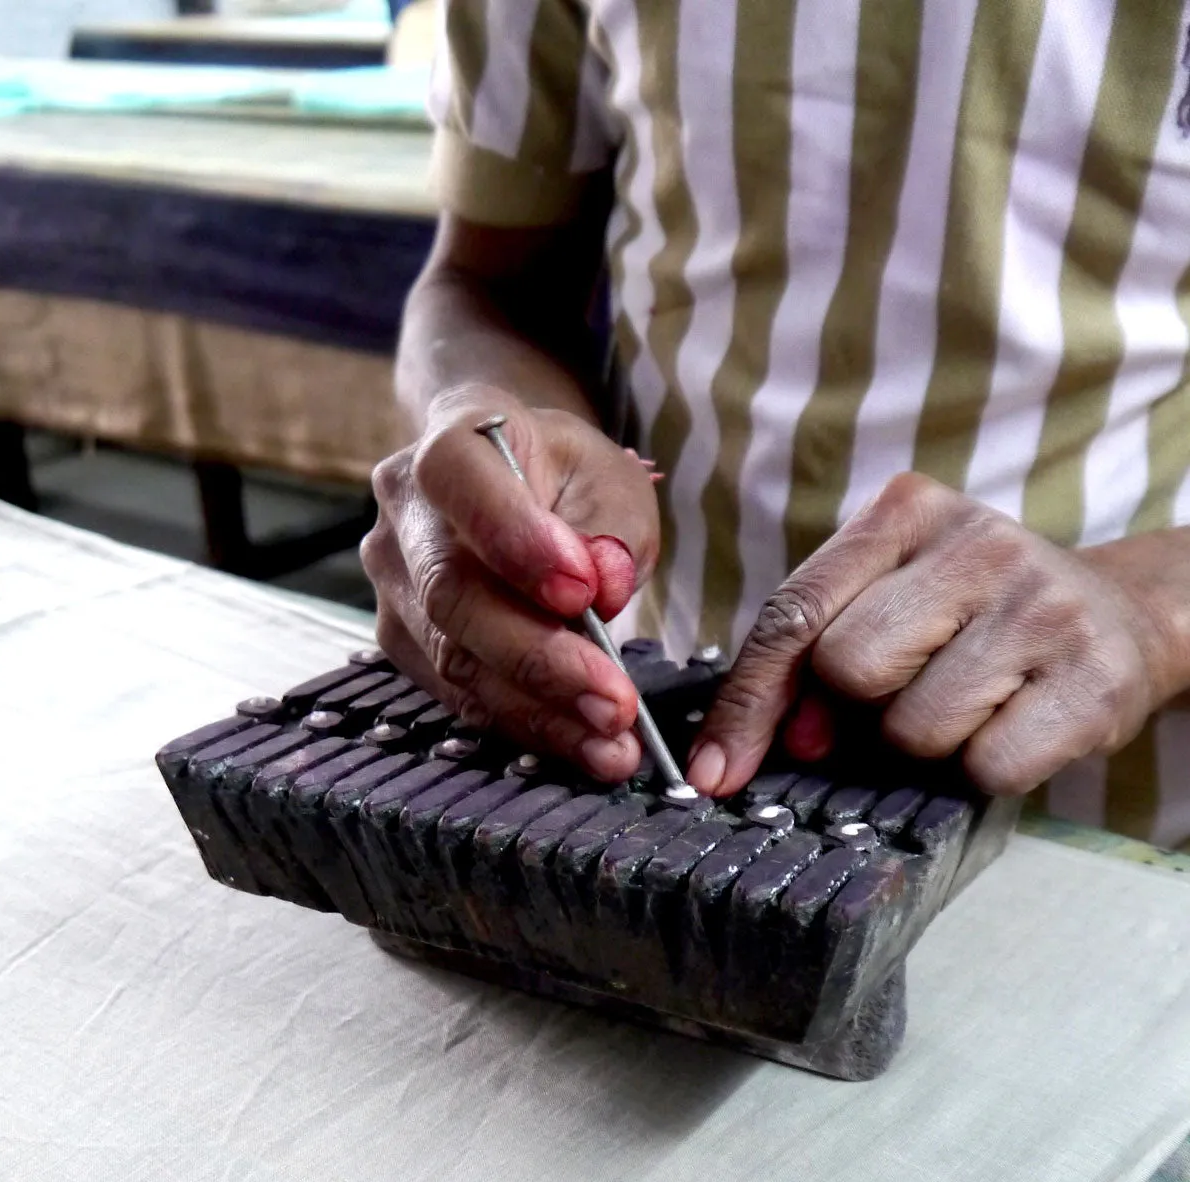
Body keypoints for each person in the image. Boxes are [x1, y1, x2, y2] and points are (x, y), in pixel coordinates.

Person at [361, 0, 1190, 845]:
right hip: (641, 720)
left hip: (1116, 826)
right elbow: (482, 287)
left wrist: (1152, 615)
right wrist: (477, 425)